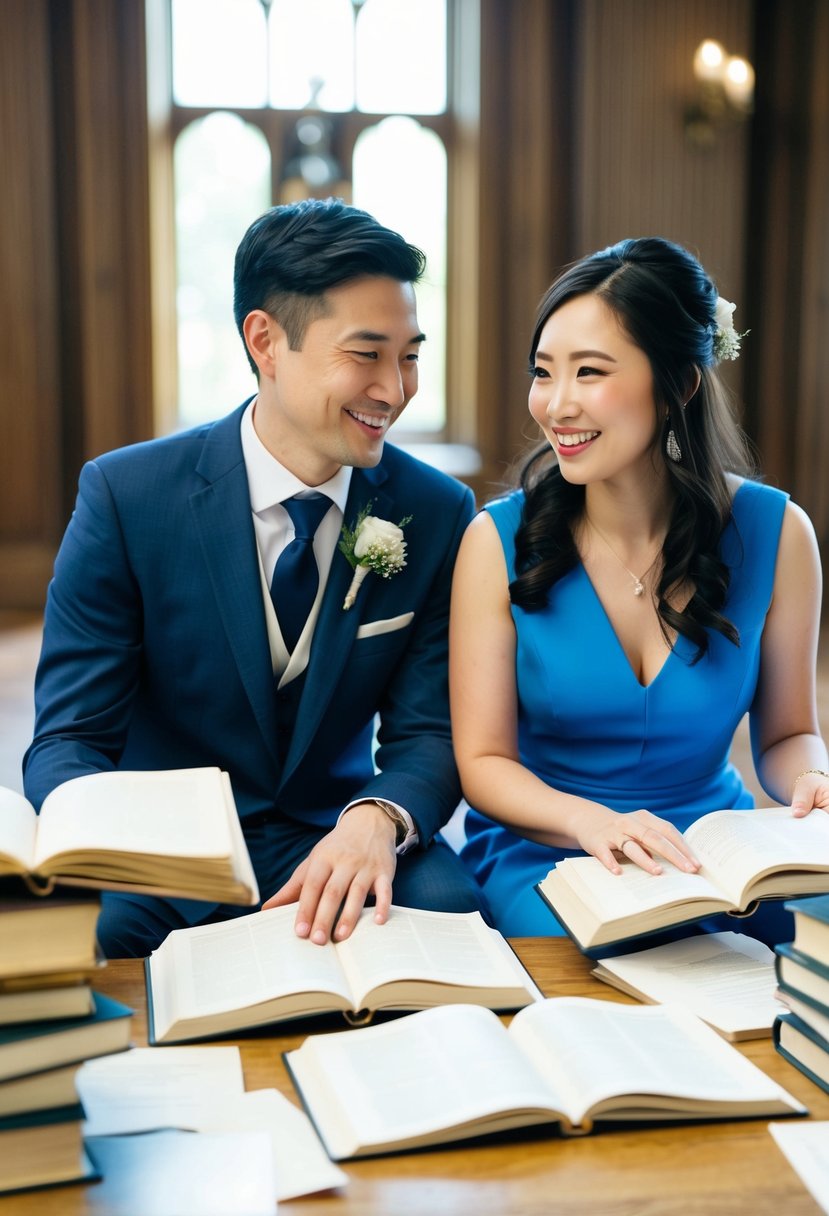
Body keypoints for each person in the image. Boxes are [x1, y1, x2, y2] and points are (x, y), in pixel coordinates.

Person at [24, 197, 486, 956]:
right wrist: (122, 846)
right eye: (365, 354)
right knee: (94, 939)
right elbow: (70, 737)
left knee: (449, 912)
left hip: (331, 827)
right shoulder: (127, 496)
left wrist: (375, 821)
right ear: (265, 341)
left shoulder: (434, 511)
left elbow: (428, 733)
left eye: (408, 355)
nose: (395, 389)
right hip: (165, 851)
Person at [449, 236, 828, 940]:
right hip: (554, 849)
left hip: (714, 853)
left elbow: (788, 733)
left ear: (679, 384)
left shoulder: (778, 534)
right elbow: (483, 762)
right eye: (542, 372)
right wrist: (590, 822)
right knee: (600, 950)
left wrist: (813, 779)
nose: (556, 405)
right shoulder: (493, 540)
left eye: (589, 373)